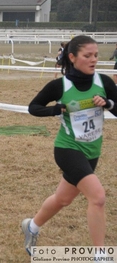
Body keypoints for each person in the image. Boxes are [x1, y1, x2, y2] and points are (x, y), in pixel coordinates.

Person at [21, 35, 117, 256]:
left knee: (63, 199)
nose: (94, 60)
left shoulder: (104, 82)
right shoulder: (59, 85)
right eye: (87, 56)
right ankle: (101, 255)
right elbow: (33, 107)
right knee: (98, 197)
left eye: (96, 55)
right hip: (67, 149)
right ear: (72, 57)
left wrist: (109, 103)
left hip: (92, 150)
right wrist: (57, 109)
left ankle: (31, 226)